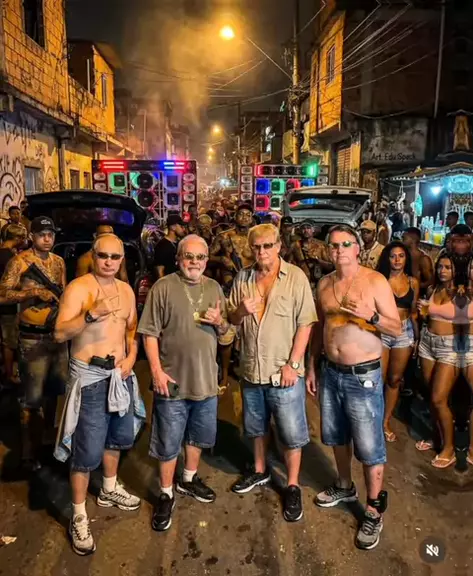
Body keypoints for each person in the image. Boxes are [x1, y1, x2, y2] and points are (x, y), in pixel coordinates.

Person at [307, 224, 401, 550]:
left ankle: (373, 510)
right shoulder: (324, 283)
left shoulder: (375, 281)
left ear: (358, 248)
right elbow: (320, 328)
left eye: (346, 244)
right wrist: (311, 366)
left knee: (370, 446)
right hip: (330, 372)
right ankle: (345, 485)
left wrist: (371, 316)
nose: (339, 250)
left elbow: (396, 327)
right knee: (336, 436)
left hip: (363, 376)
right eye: (333, 245)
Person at [54, 233, 145, 555]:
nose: (109, 262)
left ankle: (108, 488)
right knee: (85, 450)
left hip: (119, 376)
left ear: (122, 260)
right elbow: (59, 332)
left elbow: (132, 331)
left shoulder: (126, 290)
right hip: (89, 378)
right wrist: (90, 314)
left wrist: (131, 358)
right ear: (93, 256)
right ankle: (78, 514)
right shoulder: (78, 288)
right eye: (103, 256)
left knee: (117, 438)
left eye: (115, 257)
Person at [139, 235, 229, 532]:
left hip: (205, 380)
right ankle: (166, 493)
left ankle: (188, 479)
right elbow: (149, 333)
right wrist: (156, 371)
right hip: (172, 381)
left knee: (198, 436)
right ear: (178, 259)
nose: (194, 262)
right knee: (168, 441)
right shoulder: (163, 288)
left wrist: (219, 322)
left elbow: (226, 333)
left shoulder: (214, 287)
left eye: (200, 257)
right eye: (188, 256)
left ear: (206, 260)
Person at [228, 224, 316, 523]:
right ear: (250, 248)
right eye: (256, 246)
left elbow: (306, 323)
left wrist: (293, 364)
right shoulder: (243, 278)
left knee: (291, 433)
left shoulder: (295, 277)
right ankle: (259, 470)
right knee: (256, 426)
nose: (262, 251)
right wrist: (241, 310)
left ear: (279, 246)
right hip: (252, 369)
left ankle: (292, 485)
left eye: (267, 245)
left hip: (284, 372)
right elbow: (231, 319)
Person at [0, 216, 67, 468]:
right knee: (31, 398)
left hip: (56, 336)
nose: (47, 239)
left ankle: (47, 441)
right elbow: (2, 294)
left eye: (51, 234)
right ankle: (28, 452)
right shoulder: (20, 261)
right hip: (32, 338)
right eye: (42, 235)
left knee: (54, 394)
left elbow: (63, 292)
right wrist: (34, 292)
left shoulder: (59, 262)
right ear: (32, 236)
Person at [416, 253, 464, 468]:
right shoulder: (432, 289)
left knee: (439, 399)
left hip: (449, 346)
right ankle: (437, 438)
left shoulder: (462, 293)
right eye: (440, 267)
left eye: (448, 267)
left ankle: (449, 448)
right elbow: (427, 317)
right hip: (428, 342)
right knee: (431, 396)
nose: (442, 271)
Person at [377, 241, 419, 442]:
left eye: (401, 256)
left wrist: (417, 338)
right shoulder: (380, 279)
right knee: (379, 378)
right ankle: (373, 418)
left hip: (404, 332)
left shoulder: (413, 282)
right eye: (393, 256)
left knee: (394, 380)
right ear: (387, 258)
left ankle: (385, 421)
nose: (397, 260)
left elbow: (414, 312)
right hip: (383, 330)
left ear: (406, 259)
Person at [0, 224, 28, 383]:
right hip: (7, 305)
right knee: (9, 341)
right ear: (17, 238)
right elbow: (13, 284)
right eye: (23, 237)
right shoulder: (12, 259)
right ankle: (10, 374)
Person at [291, 221, 332, 289]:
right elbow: (288, 263)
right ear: (300, 230)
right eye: (303, 228)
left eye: (308, 228)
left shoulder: (321, 245)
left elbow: (330, 267)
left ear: (313, 230)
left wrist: (317, 260)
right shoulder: (295, 245)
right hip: (300, 284)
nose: (306, 230)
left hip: (317, 284)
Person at [154, 214, 186, 279]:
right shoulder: (162, 245)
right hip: (169, 282)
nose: (183, 229)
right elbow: (159, 270)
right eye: (181, 226)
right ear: (173, 227)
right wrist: (163, 284)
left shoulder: (179, 243)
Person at [402, 227, 434, 295]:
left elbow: (430, 281)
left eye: (404, 238)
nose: (402, 240)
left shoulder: (423, 259)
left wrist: (416, 286)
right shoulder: (402, 255)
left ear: (413, 239)